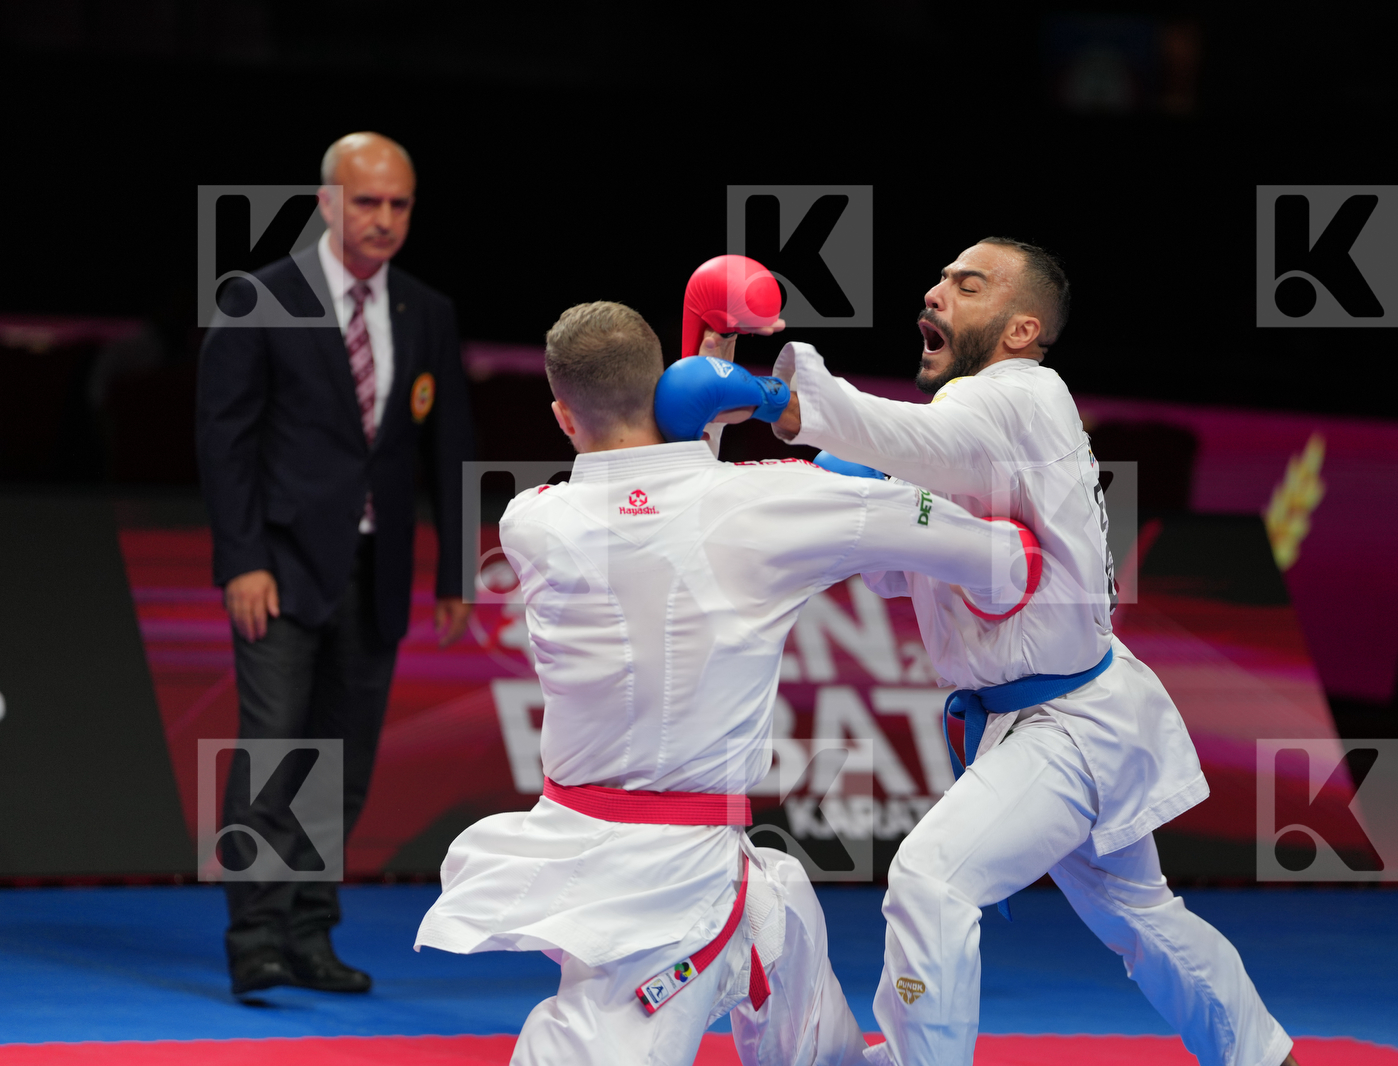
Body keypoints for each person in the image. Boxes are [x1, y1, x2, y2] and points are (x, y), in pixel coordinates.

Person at [413, 301, 1042, 1065]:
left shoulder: (532, 522)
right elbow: (993, 556)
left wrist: (714, 429)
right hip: (664, 892)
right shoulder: (767, 501)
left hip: (666, 860)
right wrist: (992, 550)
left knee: (799, 980)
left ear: (562, 417)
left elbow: (665, 508)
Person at [752, 238, 1297, 1066]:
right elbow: (901, 551)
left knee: (932, 879)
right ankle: (1266, 1056)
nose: (935, 294)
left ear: (1020, 330)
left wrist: (784, 403)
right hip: (1058, 717)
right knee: (1143, 919)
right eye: (936, 279)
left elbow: (908, 439)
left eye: (966, 286)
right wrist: (815, 486)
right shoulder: (973, 429)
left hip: (1069, 726)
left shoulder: (1019, 394)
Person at [196, 132, 475, 996]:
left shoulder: (425, 311)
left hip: (377, 571)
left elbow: (449, 446)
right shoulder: (260, 297)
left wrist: (456, 570)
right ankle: (257, 941)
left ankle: (312, 934)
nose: (384, 219)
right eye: (367, 202)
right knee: (276, 753)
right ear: (327, 201)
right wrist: (241, 559)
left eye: (398, 204)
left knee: (341, 768)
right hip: (277, 569)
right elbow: (225, 440)